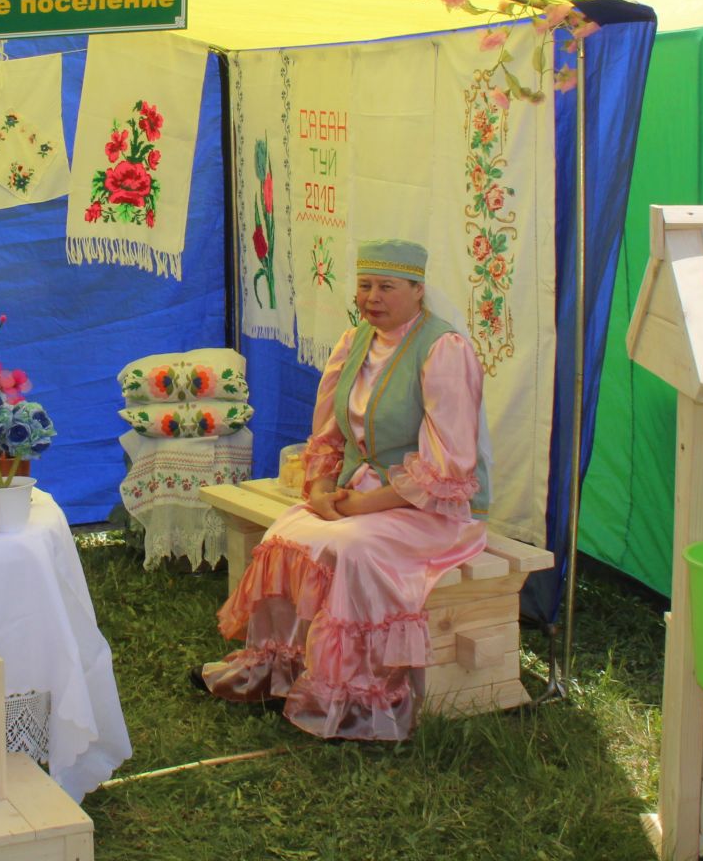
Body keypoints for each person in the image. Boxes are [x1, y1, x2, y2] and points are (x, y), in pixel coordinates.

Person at [191, 237, 492, 741]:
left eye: (387, 287)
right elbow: (327, 434)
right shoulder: (354, 343)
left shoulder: (443, 349)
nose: (373, 297)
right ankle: (278, 671)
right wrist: (321, 488)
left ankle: (353, 700)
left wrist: (359, 506)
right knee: (284, 533)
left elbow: (448, 463)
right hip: (356, 498)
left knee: (351, 550)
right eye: (366, 285)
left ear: (418, 291)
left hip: (430, 512)